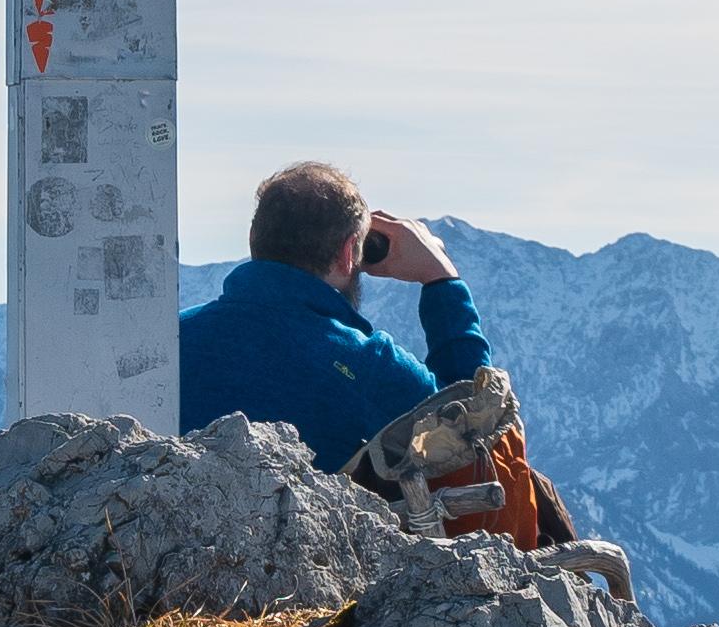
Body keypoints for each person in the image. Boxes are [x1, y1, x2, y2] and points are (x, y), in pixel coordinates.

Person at [176, 158, 492, 475]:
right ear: (349, 252)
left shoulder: (171, 340)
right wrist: (441, 279)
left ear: (254, 238)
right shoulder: (366, 365)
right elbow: (474, 422)